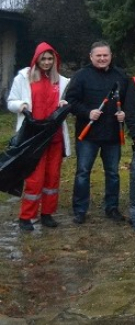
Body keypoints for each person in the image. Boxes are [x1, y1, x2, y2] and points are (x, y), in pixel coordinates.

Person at [7, 43, 70, 231]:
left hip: (54, 136)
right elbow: (11, 102)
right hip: (33, 137)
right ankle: (26, 216)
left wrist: (65, 103)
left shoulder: (62, 81)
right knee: (34, 179)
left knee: (52, 178)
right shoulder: (23, 78)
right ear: (36, 59)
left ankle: (47, 213)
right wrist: (23, 106)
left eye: (50, 59)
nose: (47, 62)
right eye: (43, 59)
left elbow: (68, 101)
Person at [65, 41, 129, 225]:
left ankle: (112, 208)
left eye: (105, 55)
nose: (102, 58)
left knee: (113, 173)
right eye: (98, 55)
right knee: (83, 172)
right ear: (91, 56)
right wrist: (87, 112)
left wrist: (123, 113)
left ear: (111, 56)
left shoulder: (120, 76)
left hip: (112, 134)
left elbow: (127, 102)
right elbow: (71, 101)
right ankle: (80, 210)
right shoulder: (81, 76)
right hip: (88, 135)